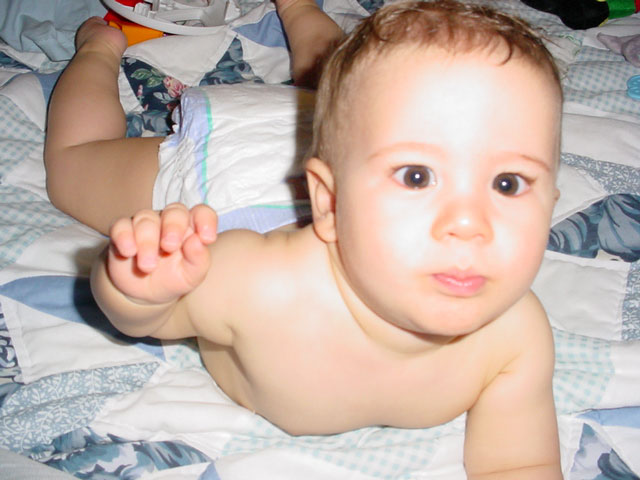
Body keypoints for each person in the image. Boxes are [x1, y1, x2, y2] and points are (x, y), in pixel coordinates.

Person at [45, 0, 564, 477]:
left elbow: (519, 464)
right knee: (72, 168)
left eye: (507, 184)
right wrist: (137, 283)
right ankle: (98, 51)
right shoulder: (258, 284)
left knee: (334, 75)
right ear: (328, 203)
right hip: (232, 176)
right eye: (416, 176)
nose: (470, 223)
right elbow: (146, 318)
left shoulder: (515, 340)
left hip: (352, 138)